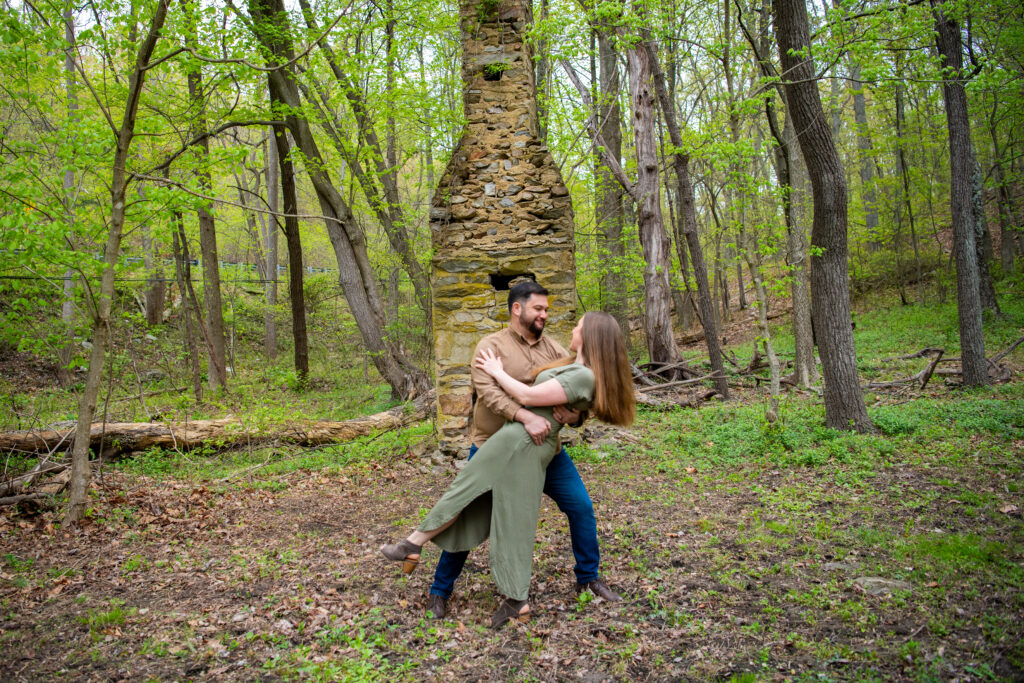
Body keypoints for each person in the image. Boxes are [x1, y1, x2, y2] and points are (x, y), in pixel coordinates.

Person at [381, 310, 635, 628]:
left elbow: (529, 395)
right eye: (537, 308)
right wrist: (573, 412)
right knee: (467, 500)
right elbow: (564, 399)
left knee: (487, 507)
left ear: (592, 336)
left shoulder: (581, 373)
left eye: (579, 325)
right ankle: (421, 559)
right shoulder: (569, 363)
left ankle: (529, 594)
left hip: (522, 446)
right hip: (511, 441)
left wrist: (495, 371)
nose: (571, 327)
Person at [433, 281, 622, 620]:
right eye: (539, 308)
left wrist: (577, 417)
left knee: (581, 507)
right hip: (494, 448)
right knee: (467, 513)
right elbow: (489, 394)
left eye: (547, 309)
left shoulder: (553, 350)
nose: (544, 315)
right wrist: (523, 416)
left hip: (545, 452)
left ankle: (588, 579)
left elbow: (576, 391)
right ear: (517, 308)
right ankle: (440, 590)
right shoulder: (490, 346)